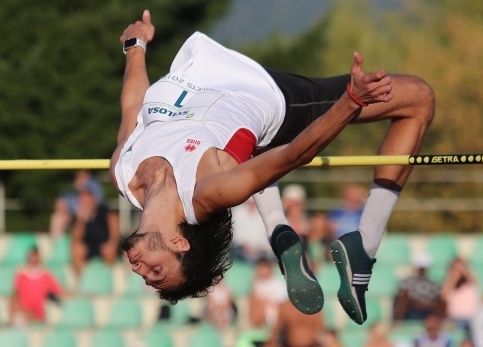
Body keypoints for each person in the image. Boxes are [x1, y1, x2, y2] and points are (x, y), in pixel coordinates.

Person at [112, 10, 435, 326]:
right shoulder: (208, 193)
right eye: (157, 272)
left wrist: (135, 47)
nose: (139, 270)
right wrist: (352, 100)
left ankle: (276, 223)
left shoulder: (123, 174)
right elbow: (293, 155)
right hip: (267, 93)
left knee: (245, 150)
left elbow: (132, 105)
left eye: (148, 277)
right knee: (418, 97)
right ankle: (365, 244)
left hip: (204, 68)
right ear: (179, 244)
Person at [70, 190, 120, 274]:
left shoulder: (104, 211)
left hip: (105, 245)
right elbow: (76, 239)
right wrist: (81, 220)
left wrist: (112, 242)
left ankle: (107, 279)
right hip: (89, 248)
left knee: (109, 250)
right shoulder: (78, 218)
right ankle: (82, 281)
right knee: (76, 250)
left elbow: (114, 227)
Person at [10, 248, 62, 325]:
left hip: (39, 315)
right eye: (32, 256)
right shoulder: (21, 275)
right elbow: (15, 295)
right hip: (23, 313)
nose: (33, 259)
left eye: (35, 256)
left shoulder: (46, 276)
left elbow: (58, 292)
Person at [394, 254, 444, 321]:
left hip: (429, 310)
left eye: (423, 267)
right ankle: (398, 321)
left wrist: (426, 304)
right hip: (412, 309)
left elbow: (437, 299)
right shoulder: (407, 281)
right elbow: (403, 299)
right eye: (420, 267)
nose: (422, 269)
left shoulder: (434, 283)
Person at [441, 258, 479, 335]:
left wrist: (464, 271)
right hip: (455, 318)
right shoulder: (448, 283)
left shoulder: (469, 283)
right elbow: (444, 297)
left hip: (471, 318)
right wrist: (454, 277)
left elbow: (473, 281)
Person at [230, 199, 275, 263]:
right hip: (240, 249)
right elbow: (234, 235)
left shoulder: (263, 213)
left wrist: (258, 249)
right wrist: (245, 246)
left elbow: (265, 237)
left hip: (259, 251)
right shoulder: (237, 212)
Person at [249, 258, 288, 328]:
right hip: (260, 316)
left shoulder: (278, 284)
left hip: (274, 316)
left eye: (263, 268)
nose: (261, 271)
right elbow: (253, 299)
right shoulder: (257, 283)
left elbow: (281, 303)